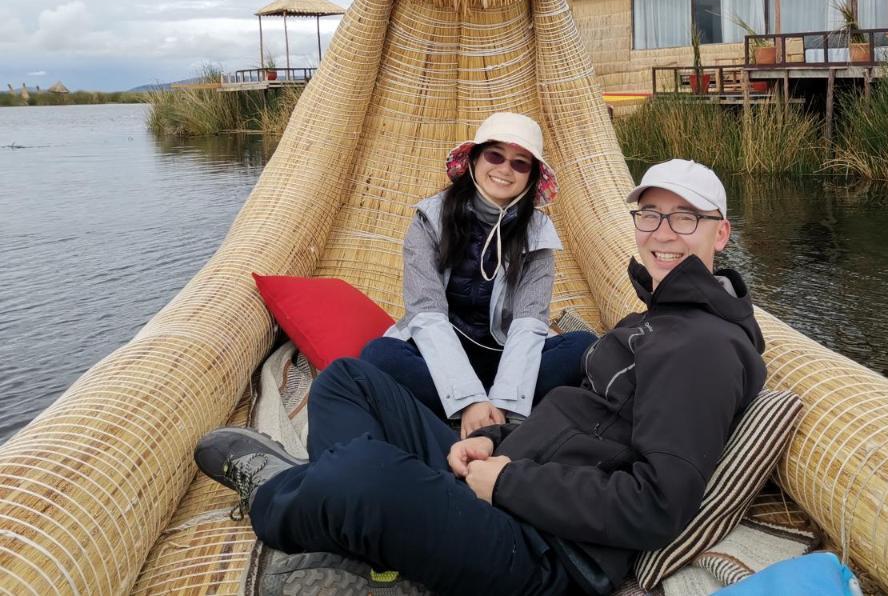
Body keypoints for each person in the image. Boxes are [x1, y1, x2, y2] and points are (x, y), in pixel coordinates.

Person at [195, 159, 766, 596]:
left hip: (541, 548)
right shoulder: (660, 317)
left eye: (685, 218)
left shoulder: (702, 346)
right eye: (650, 215)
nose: (663, 233)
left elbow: (656, 506)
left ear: (721, 234)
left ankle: (275, 495)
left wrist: (506, 483)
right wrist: (492, 442)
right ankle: (368, 526)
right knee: (348, 378)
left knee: (362, 471)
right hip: (511, 471)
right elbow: (575, 416)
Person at [360, 111, 595, 436]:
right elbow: (426, 314)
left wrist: (505, 401)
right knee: (378, 355)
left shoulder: (538, 233)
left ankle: (492, 415)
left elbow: (529, 322)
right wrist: (468, 398)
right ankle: (471, 412)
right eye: (495, 156)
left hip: (503, 356)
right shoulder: (430, 219)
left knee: (584, 347)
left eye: (519, 163)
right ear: (473, 160)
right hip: (439, 353)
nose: (504, 170)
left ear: (531, 175)